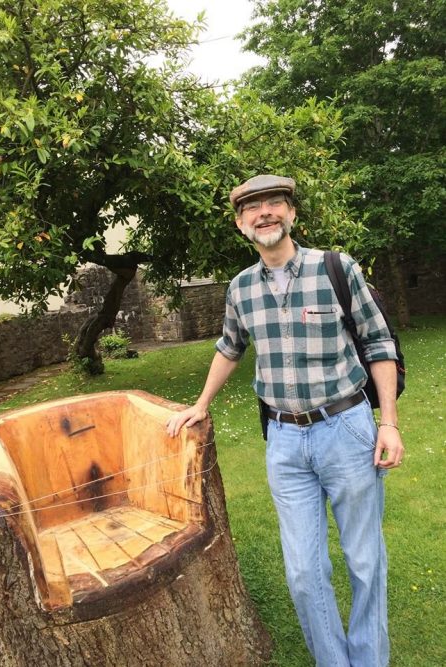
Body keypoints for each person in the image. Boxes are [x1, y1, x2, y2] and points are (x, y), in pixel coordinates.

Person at [166, 174, 405, 667]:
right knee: (302, 572)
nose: (264, 213)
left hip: (347, 429)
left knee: (365, 561)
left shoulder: (336, 268)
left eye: (274, 203)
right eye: (252, 209)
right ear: (240, 224)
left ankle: (369, 660)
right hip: (284, 442)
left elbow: (380, 345)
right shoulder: (240, 289)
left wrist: (390, 423)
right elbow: (229, 347)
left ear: (292, 213)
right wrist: (201, 403)